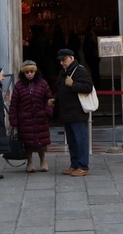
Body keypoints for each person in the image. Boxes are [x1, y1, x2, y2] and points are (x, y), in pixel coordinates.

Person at [9, 60, 54, 173]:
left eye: (31, 72)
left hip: (41, 117)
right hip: (25, 119)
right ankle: (29, 162)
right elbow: (14, 104)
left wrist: (47, 112)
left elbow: (49, 99)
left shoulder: (43, 83)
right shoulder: (19, 86)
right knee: (27, 142)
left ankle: (43, 161)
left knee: (41, 142)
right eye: (27, 72)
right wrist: (13, 120)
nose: (29, 74)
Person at [55, 48, 93, 177]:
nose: (62, 62)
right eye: (60, 60)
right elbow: (61, 90)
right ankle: (74, 165)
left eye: (64, 59)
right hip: (67, 112)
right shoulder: (63, 72)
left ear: (71, 58)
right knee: (71, 141)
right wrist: (55, 99)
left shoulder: (80, 70)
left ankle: (83, 166)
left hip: (77, 112)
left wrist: (74, 84)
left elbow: (88, 87)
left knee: (80, 140)